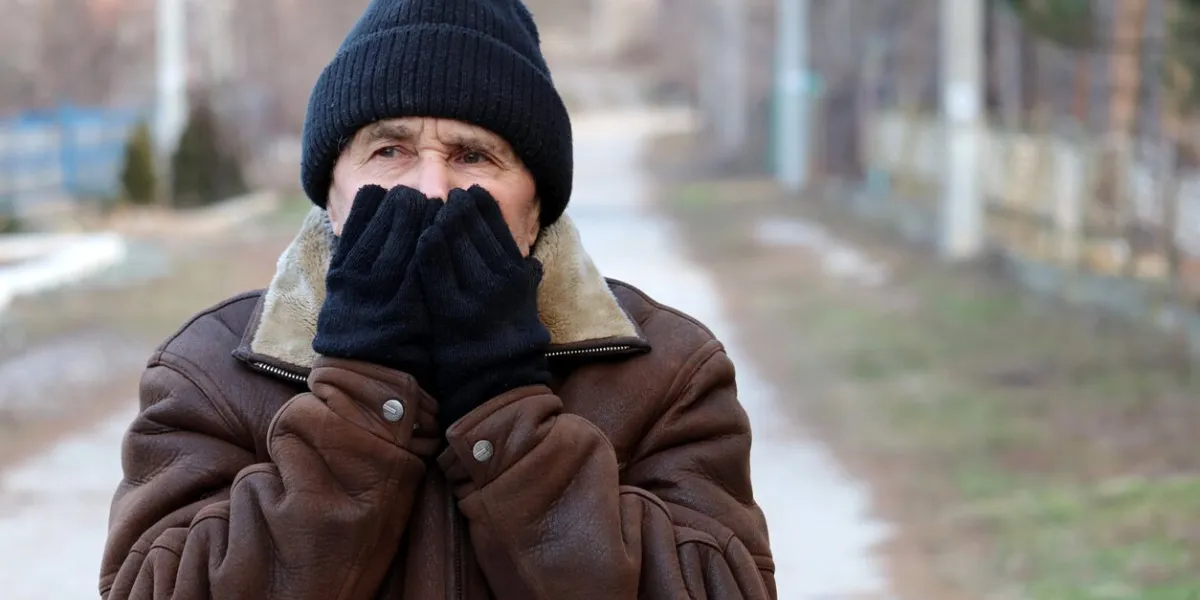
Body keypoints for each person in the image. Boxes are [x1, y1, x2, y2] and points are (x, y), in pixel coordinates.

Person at [98, 0, 775, 597]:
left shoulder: (668, 374)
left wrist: (505, 410)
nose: (429, 189)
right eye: (389, 150)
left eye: (474, 155)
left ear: (535, 205)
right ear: (330, 194)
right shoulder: (211, 373)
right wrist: (361, 402)